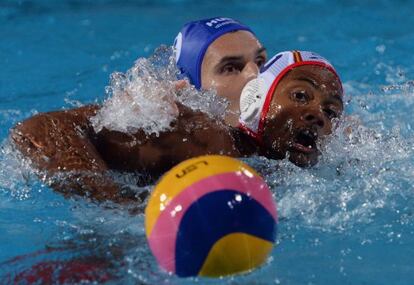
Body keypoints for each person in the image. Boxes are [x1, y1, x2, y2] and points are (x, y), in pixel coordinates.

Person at [10, 17, 267, 203]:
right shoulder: (172, 126)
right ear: (191, 89)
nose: (256, 76)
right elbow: (38, 130)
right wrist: (116, 206)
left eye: (260, 61)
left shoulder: (281, 134)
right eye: (230, 68)